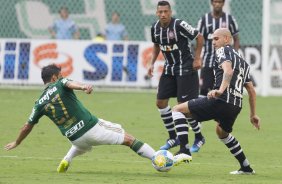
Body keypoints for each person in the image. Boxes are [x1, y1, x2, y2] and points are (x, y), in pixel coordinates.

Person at [4, 64, 156, 173]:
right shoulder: (60, 82)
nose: (62, 77)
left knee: (83, 145)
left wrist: (17, 142)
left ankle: (66, 159)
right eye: (60, 75)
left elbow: (26, 126)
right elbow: (70, 83)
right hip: (91, 128)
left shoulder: (38, 104)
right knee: (128, 138)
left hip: (74, 138)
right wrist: (83, 87)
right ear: (54, 77)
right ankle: (158, 159)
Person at [171, 28, 261, 174]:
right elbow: (251, 90)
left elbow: (228, 71)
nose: (213, 42)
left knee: (177, 110)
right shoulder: (243, 62)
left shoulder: (223, 51)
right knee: (221, 132)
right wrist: (253, 115)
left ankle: (184, 150)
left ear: (227, 39)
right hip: (235, 105)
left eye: (216, 39)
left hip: (221, 100)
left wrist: (220, 90)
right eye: (212, 39)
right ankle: (246, 167)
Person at [147, 0, 205, 162]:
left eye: (166, 11)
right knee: (160, 102)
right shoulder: (155, 28)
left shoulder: (179, 25)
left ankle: (199, 137)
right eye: (160, 12)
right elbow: (156, 46)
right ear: (157, 13)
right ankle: (174, 137)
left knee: (183, 108)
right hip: (169, 69)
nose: (163, 14)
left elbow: (199, 38)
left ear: (170, 12)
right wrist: (152, 63)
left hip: (186, 69)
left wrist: (197, 58)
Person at [197, 0, 239, 96]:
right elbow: (199, 39)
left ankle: (219, 110)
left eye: (220, 2)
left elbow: (236, 39)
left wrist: (235, 55)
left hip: (224, 63)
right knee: (203, 90)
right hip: (208, 62)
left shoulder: (230, 19)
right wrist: (198, 57)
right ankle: (203, 110)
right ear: (211, 3)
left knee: (221, 91)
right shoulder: (204, 20)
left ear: (223, 3)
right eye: (215, 1)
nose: (217, 4)